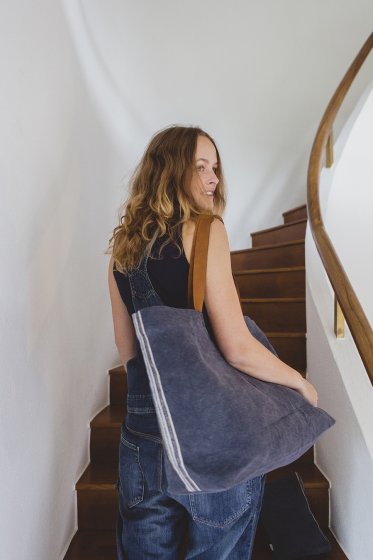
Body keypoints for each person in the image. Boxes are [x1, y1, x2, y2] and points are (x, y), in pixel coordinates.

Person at [107, 125, 318, 559]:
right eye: (200, 166)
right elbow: (237, 346)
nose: (213, 178)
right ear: (169, 172)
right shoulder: (205, 231)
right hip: (209, 431)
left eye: (215, 168)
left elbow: (128, 351)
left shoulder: (122, 250)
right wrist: (298, 381)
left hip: (142, 429)